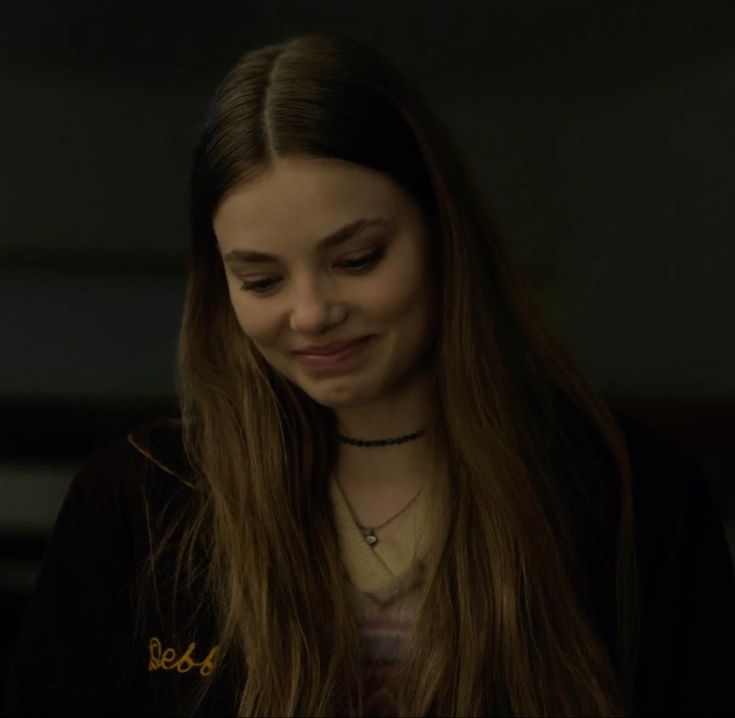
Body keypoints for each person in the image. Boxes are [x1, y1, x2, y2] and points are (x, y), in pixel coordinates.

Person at [2, 31, 734, 717]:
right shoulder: (133, 506)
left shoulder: (634, 494)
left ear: (447, 237)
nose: (311, 313)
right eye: (260, 280)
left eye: (356, 260)